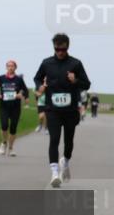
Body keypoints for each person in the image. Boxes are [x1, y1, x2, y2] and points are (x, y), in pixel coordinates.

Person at [33, 33, 91, 188]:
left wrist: (76, 80)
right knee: (54, 139)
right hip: (52, 110)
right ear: (54, 47)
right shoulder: (46, 63)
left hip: (71, 110)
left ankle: (65, 161)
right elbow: (37, 78)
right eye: (57, 49)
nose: (60, 52)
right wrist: (40, 86)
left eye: (62, 49)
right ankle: (54, 172)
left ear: (67, 47)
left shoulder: (75, 64)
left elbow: (87, 84)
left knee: (68, 141)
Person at [0, 60, 29, 156]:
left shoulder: (19, 79)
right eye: (8, 66)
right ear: (6, 67)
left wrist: (22, 95)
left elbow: (25, 90)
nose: (10, 68)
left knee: (13, 128)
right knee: (4, 125)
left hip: (15, 107)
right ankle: (3, 143)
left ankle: (11, 148)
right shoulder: (1, 78)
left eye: (12, 66)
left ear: (15, 68)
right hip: (4, 106)